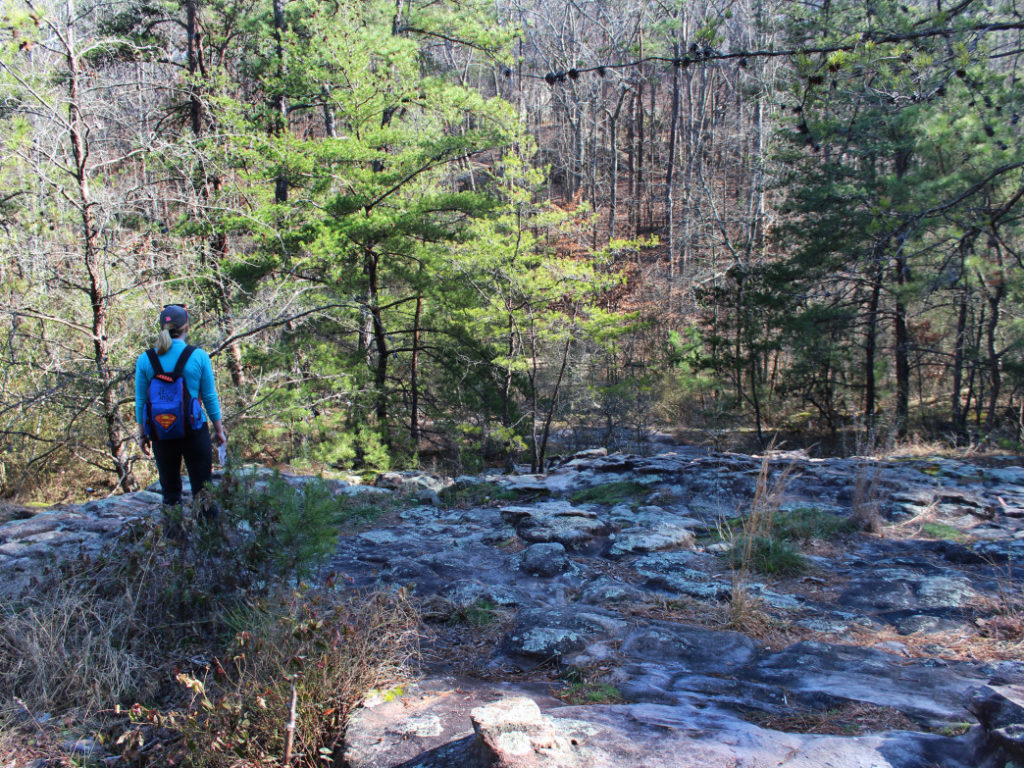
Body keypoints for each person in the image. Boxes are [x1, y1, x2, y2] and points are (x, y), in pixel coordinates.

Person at [136, 304, 227, 513]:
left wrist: (142, 434)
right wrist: (219, 429)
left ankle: (172, 538)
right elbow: (210, 396)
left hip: (161, 431)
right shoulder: (198, 356)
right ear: (187, 327)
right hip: (194, 431)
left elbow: (140, 401)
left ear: (161, 328)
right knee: (203, 490)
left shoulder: (146, 359)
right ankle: (209, 539)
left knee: (170, 493)